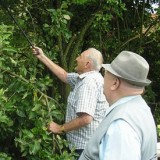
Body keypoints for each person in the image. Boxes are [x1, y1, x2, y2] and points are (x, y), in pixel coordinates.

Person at [32, 47, 108, 158]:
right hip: (87, 146)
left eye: (80, 56)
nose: (76, 58)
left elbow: (86, 118)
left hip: (84, 149)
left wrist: (60, 128)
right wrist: (42, 56)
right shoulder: (86, 78)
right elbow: (64, 75)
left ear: (87, 64)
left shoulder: (88, 83)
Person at [79, 50, 157, 160]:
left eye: (105, 74)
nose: (103, 79)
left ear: (115, 83)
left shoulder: (121, 125)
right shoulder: (141, 108)